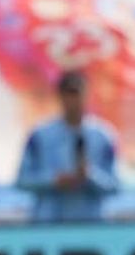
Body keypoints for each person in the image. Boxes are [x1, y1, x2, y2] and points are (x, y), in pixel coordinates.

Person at [16, 70, 118, 223]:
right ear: (60, 96)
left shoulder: (103, 135)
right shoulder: (40, 135)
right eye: (68, 94)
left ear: (86, 96)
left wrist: (90, 177)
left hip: (90, 225)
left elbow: (115, 185)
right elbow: (23, 180)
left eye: (77, 94)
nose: (73, 100)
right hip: (49, 224)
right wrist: (54, 181)